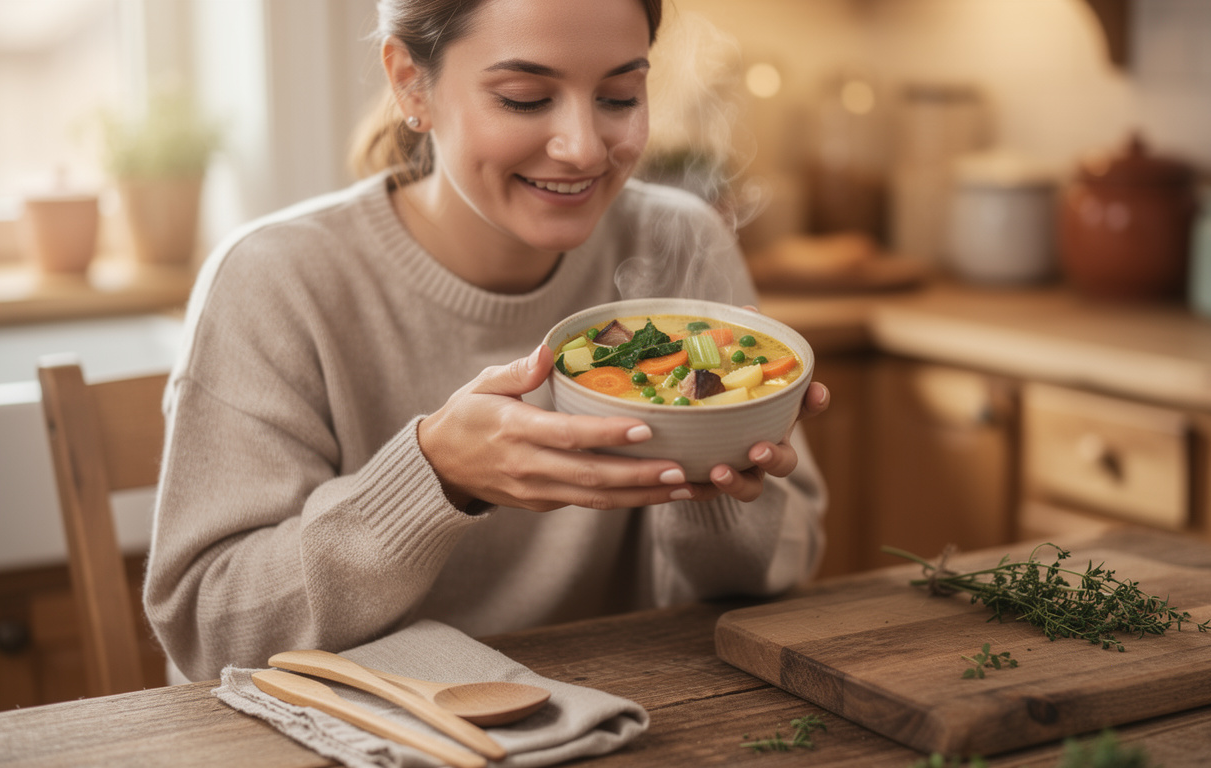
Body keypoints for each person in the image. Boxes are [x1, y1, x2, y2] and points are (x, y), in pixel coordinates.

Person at [144, 0, 828, 683]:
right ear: (412, 83)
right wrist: (436, 475)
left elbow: (777, 574)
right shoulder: (277, 280)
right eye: (525, 99)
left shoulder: (682, 245)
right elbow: (211, 632)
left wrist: (711, 472)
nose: (584, 147)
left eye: (619, 95)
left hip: (625, 719)